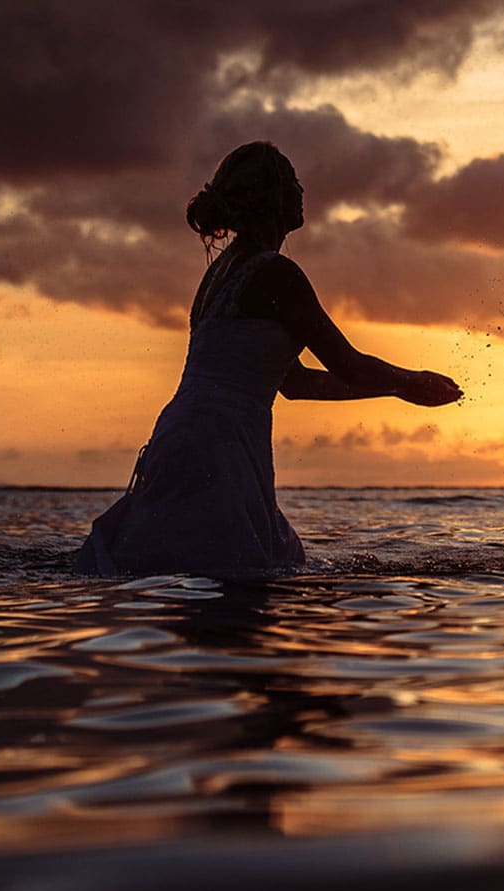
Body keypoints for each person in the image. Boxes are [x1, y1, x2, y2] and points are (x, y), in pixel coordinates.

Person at [76, 141, 461, 576]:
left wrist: (395, 388)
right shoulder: (279, 275)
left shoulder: (218, 277)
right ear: (272, 198)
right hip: (222, 443)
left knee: (185, 573)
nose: (301, 190)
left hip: (179, 433)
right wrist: (411, 382)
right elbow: (347, 364)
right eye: (292, 181)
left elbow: (295, 384)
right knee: (235, 581)